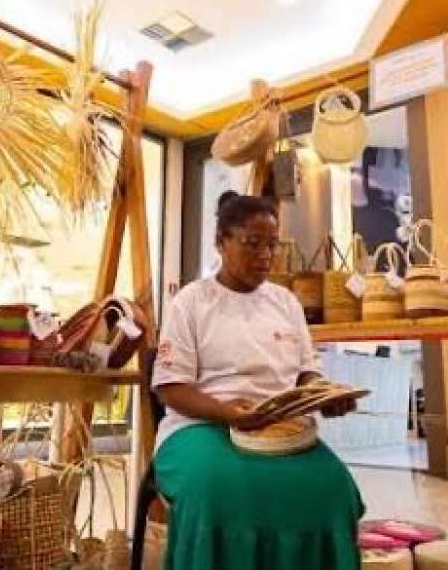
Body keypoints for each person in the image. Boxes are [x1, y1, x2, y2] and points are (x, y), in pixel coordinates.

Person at [152, 190, 364, 570]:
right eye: (252, 243)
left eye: (272, 245)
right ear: (221, 242)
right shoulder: (191, 301)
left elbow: (306, 372)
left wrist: (322, 396)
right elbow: (171, 388)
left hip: (281, 429)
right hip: (201, 426)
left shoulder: (285, 302)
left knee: (333, 488)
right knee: (216, 489)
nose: (265, 255)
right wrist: (226, 412)